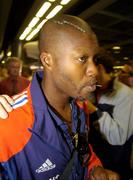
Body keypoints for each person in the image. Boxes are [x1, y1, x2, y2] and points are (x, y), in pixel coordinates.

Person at [0, 15, 119, 180]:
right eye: (82, 58)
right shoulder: (7, 127)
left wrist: (94, 168)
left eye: (94, 59)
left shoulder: (80, 106)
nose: (94, 70)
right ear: (48, 61)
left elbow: (81, 150)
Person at [83, 48, 133, 179]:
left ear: (99, 68)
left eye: (89, 69)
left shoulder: (126, 95)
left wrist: (93, 110)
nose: (86, 73)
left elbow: (119, 137)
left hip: (115, 168)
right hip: (94, 165)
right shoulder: (92, 91)